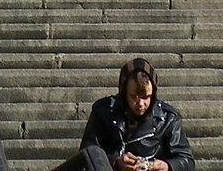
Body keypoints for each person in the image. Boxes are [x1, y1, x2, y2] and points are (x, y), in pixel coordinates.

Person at [60, 57, 194, 171]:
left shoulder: (168, 118)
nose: (140, 103)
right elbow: (88, 154)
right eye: (134, 97)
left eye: (146, 97)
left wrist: (166, 166)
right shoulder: (104, 111)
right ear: (124, 93)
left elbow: (186, 159)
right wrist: (115, 162)